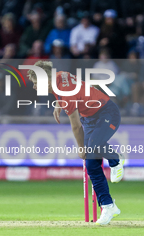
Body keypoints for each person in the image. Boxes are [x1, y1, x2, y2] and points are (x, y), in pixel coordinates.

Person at [27, 60, 125, 225]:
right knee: (92, 166)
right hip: (90, 118)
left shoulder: (66, 94)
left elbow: (76, 126)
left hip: (106, 112)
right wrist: (58, 104)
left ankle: (116, 159)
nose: (34, 87)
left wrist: (81, 148)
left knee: (92, 147)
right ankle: (109, 206)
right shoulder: (58, 77)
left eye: (36, 83)